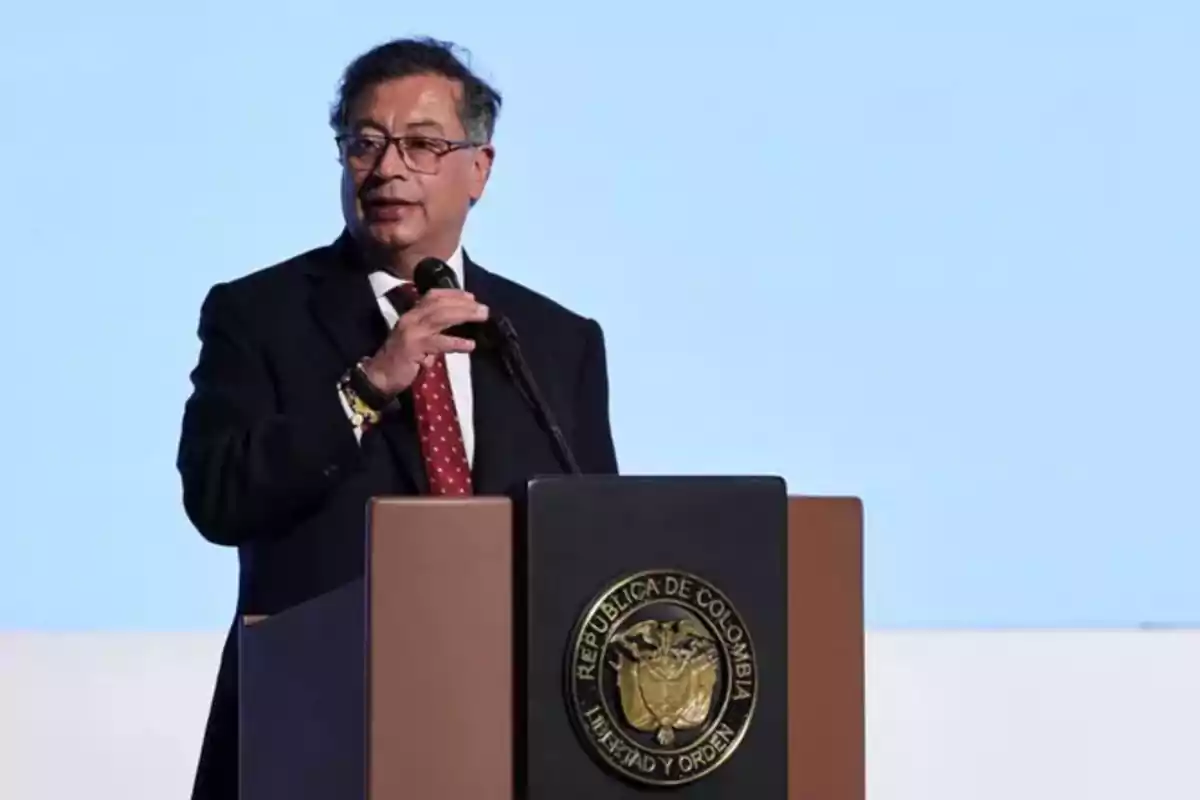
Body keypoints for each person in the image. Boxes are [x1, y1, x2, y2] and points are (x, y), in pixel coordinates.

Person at [176, 36, 619, 799]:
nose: (386, 170)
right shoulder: (258, 315)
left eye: (421, 145)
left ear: (478, 169)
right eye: (364, 144)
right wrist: (369, 388)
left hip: (509, 733)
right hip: (317, 724)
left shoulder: (556, 340)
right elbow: (219, 497)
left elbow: (597, 537)